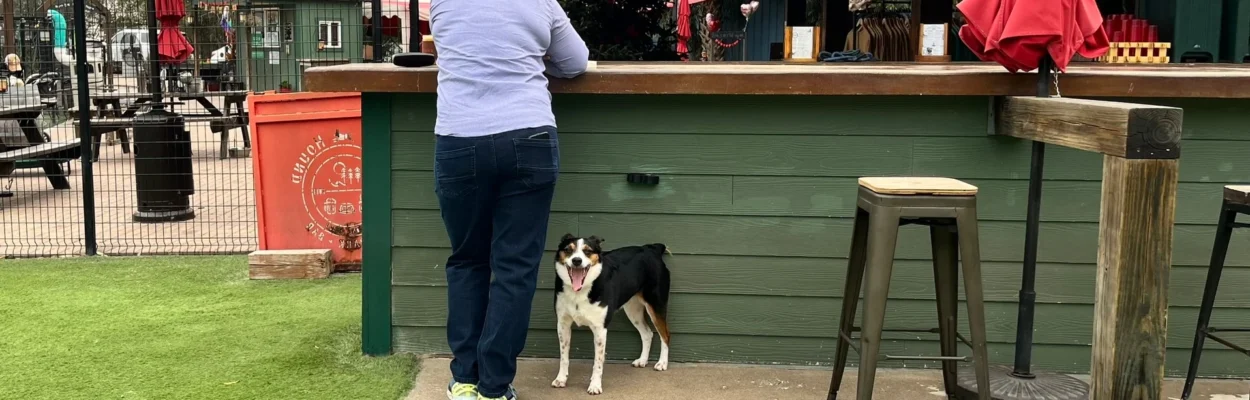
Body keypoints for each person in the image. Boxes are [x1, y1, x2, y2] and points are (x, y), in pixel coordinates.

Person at [428, 0, 589, 398]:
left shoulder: (441, 2)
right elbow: (576, 62)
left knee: (467, 260)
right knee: (514, 268)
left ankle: (465, 379)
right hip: (528, 136)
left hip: (459, 139)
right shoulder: (541, 2)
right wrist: (536, 59)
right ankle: (494, 387)